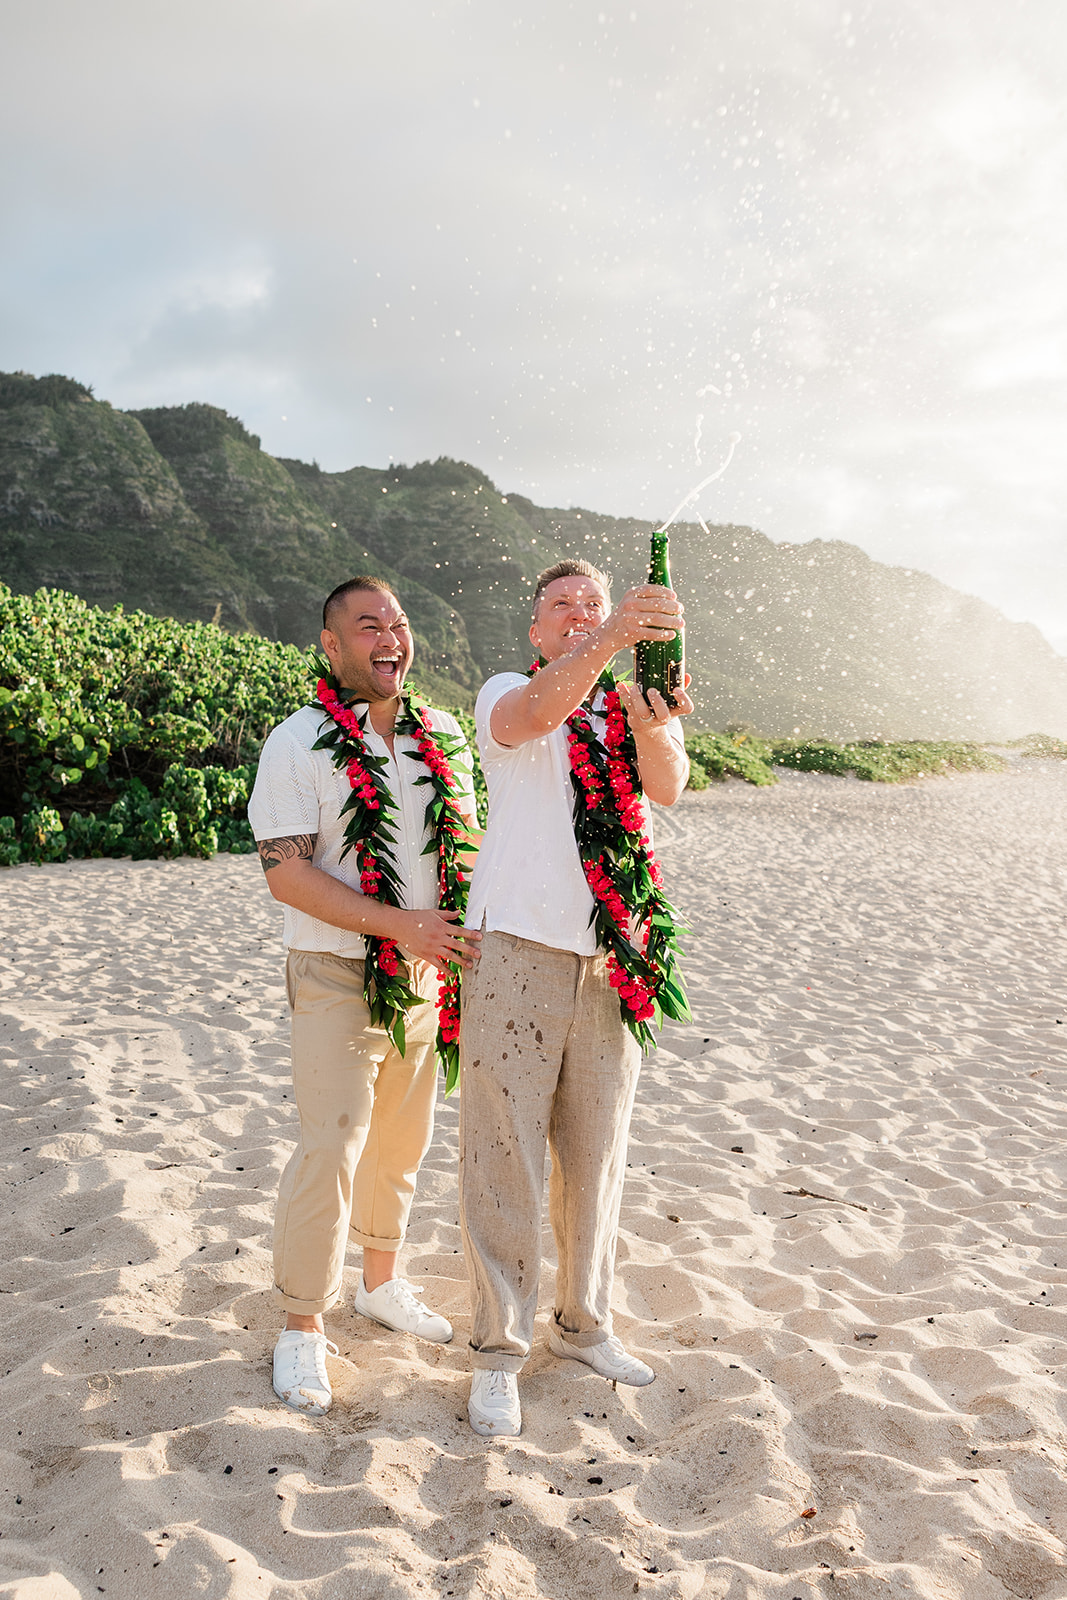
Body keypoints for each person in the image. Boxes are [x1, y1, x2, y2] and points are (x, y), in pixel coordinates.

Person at [458, 557, 693, 1437]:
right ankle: (497, 1354)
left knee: (595, 1153)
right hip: (517, 943)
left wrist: (654, 723)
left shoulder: (623, 701)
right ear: (537, 628)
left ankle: (583, 1323)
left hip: (611, 951)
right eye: (563, 607)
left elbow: (666, 787)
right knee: (503, 1150)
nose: (579, 614)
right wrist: (608, 637)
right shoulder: (505, 690)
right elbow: (537, 714)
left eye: (592, 604)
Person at [248, 576, 480, 1416]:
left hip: (423, 972)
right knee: (332, 1144)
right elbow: (287, 874)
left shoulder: (443, 734)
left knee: (400, 1143)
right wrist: (400, 925)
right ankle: (302, 1325)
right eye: (368, 625)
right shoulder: (298, 741)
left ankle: (380, 1283)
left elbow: (468, 845)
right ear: (331, 645)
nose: (390, 637)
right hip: (334, 969)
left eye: (400, 623)